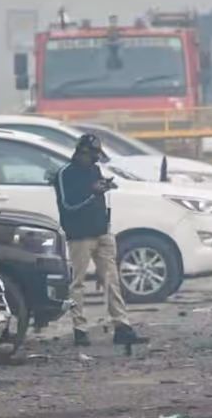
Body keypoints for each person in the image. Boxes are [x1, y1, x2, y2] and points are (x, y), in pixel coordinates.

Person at [54, 133, 147, 347]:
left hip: (102, 232)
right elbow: (68, 205)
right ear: (81, 153)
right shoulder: (65, 174)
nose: (95, 160)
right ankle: (80, 329)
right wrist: (92, 192)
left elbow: (96, 197)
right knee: (77, 283)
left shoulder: (93, 169)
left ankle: (122, 326)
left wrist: (103, 189)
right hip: (80, 236)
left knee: (112, 281)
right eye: (92, 155)